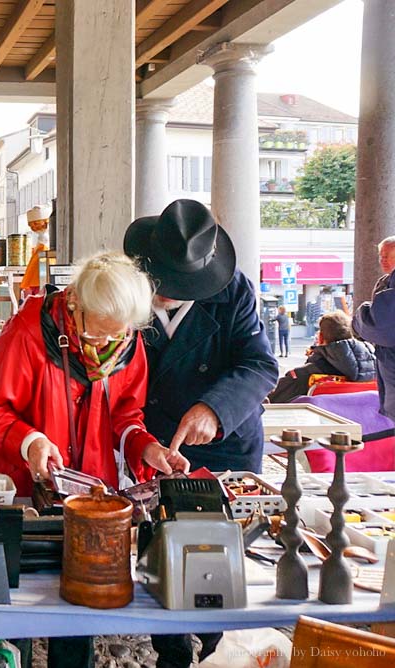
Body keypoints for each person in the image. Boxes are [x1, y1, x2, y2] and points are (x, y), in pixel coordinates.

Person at [0, 251, 189, 668]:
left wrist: (147, 448)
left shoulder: (126, 341)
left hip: (86, 495)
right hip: (21, 491)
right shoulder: (30, 330)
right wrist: (31, 441)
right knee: (20, 608)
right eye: (96, 337)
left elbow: (125, 415)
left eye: (118, 336)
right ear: (75, 305)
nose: (107, 346)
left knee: (78, 604)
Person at [124, 199, 277, 668]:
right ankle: (168, 649)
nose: (162, 293)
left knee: (215, 559)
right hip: (154, 439)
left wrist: (213, 407)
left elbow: (260, 365)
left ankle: (216, 651)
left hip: (224, 441)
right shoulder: (125, 290)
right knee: (155, 546)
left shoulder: (233, 292)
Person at [268, 311, 376, 403]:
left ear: (320, 337)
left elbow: (270, 400)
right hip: (375, 427)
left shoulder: (303, 376)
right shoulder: (378, 369)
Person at [352, 235, 395, 419]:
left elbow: (379, 326)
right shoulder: (386, 282)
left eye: (388, 256)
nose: (382, 260)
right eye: (381, 256)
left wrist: (360, 316)